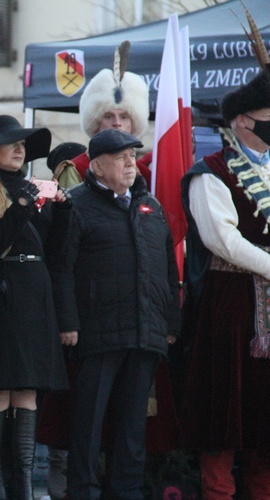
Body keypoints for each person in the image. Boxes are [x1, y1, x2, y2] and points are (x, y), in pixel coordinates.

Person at [48, 129, 180, 499]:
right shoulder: (75, 204)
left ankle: (128, 491)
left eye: (132, 156)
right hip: (96, 332)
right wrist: (69, 322)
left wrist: (170, 321)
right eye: (121, 158)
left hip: (145, 331)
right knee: (88, 421)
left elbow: (168, 270)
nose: (130, 164)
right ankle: (84, 490)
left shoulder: (150, 206)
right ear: (98, 165)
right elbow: (61, 268)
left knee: (133, 424)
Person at [180, 70, 270, 499]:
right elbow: (223, 239)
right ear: (241, 121)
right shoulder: (210, 173)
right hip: (230, 310)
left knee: (265, 428)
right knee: (224, 416)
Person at [0, 114, 68, 500]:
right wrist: (23, 206)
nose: (19, 149)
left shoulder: (34, 188)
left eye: (23, 144)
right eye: (10, 142)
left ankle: (25, 486)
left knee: (28, 388)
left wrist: (63, 211)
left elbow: (56, 253)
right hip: (0, 292)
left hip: (35, 291)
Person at [71, 43, 152, 184]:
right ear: (95, 125)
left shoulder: (144, 175)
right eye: (108, 116)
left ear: (133, 126)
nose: (117, 123)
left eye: (124, 117)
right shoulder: (77, 169)